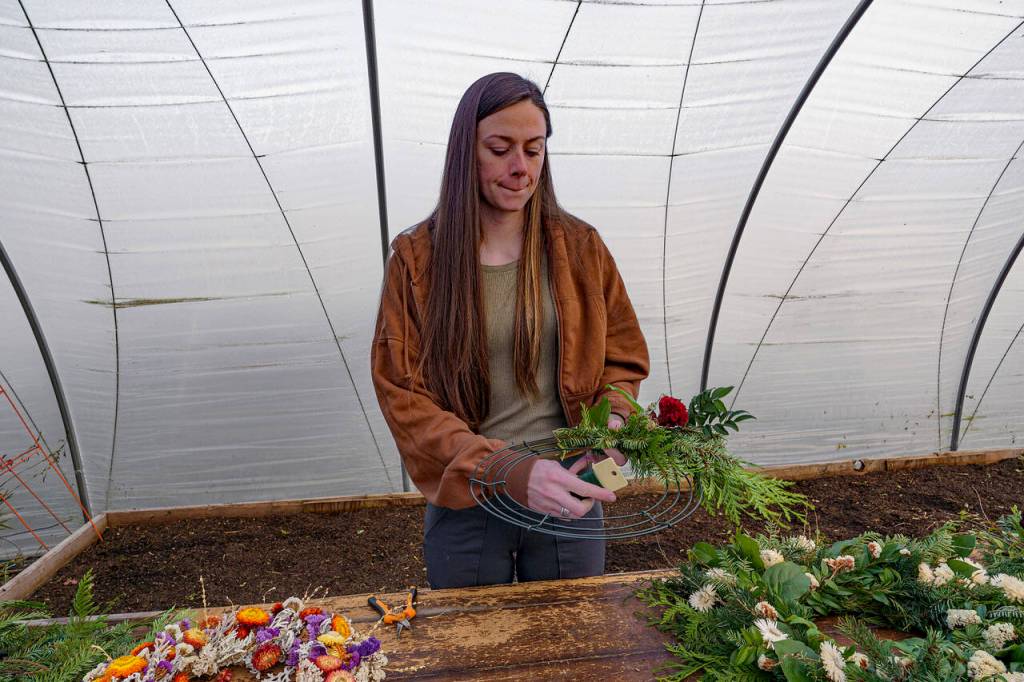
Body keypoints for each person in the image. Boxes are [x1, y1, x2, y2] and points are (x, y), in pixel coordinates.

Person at [370, 72, 649, 589]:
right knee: (472, 653)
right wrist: (510, 472)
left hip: (574, 486)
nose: (520, 168)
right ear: (465, 154)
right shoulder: (418, 261)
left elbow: (623, 360)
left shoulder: (581, 249)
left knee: (574, 644)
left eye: (534, 149)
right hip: (470, 498)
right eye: (500, 149)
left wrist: (612, 424)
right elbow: (404, 395)